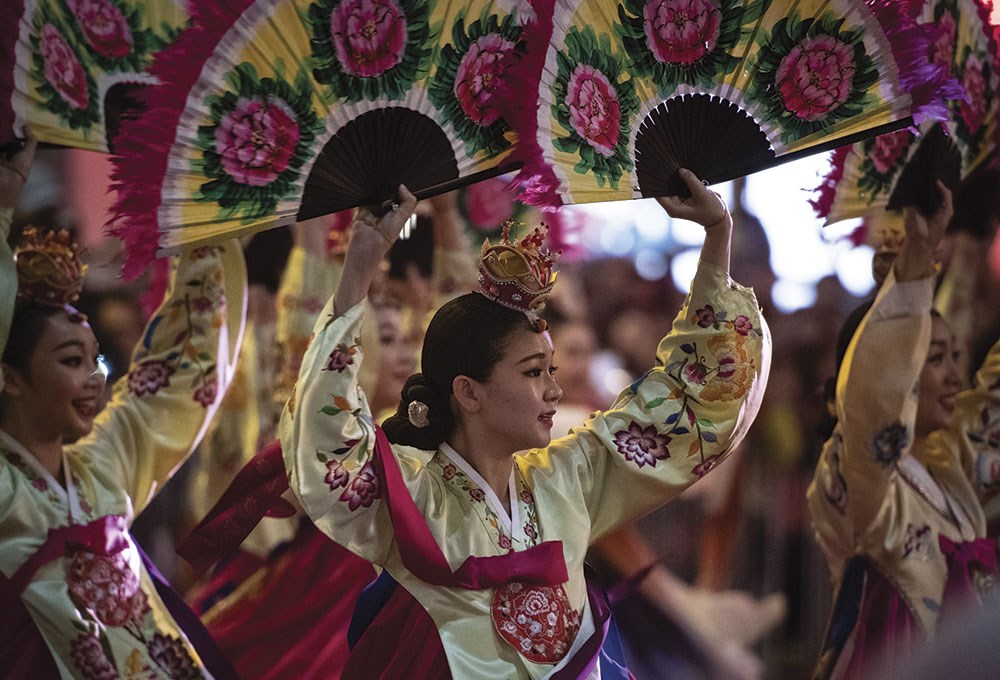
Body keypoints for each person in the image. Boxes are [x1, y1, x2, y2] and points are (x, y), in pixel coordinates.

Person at [279, 168, 771, 677]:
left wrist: (716, 239)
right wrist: (359, 262)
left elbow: (682, 406)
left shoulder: (570, 477)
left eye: (552, 370)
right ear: (469, 391)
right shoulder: (410, 492)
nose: (554, 390)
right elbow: (326, 441)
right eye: (534, 372)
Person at [0, 130, 246, 678]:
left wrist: (197, 213)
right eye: (69, 360)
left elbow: (183, 372)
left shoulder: (100, 467)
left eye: (96, 360)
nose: (93, 379)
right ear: (9, 378)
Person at [807, 184, 1000, 679]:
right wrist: (915, 261)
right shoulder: (857, 470)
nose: (957, 374)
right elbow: (873, 403)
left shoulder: (944, 467)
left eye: (956, 357)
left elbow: (992, 405)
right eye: (935, 359)